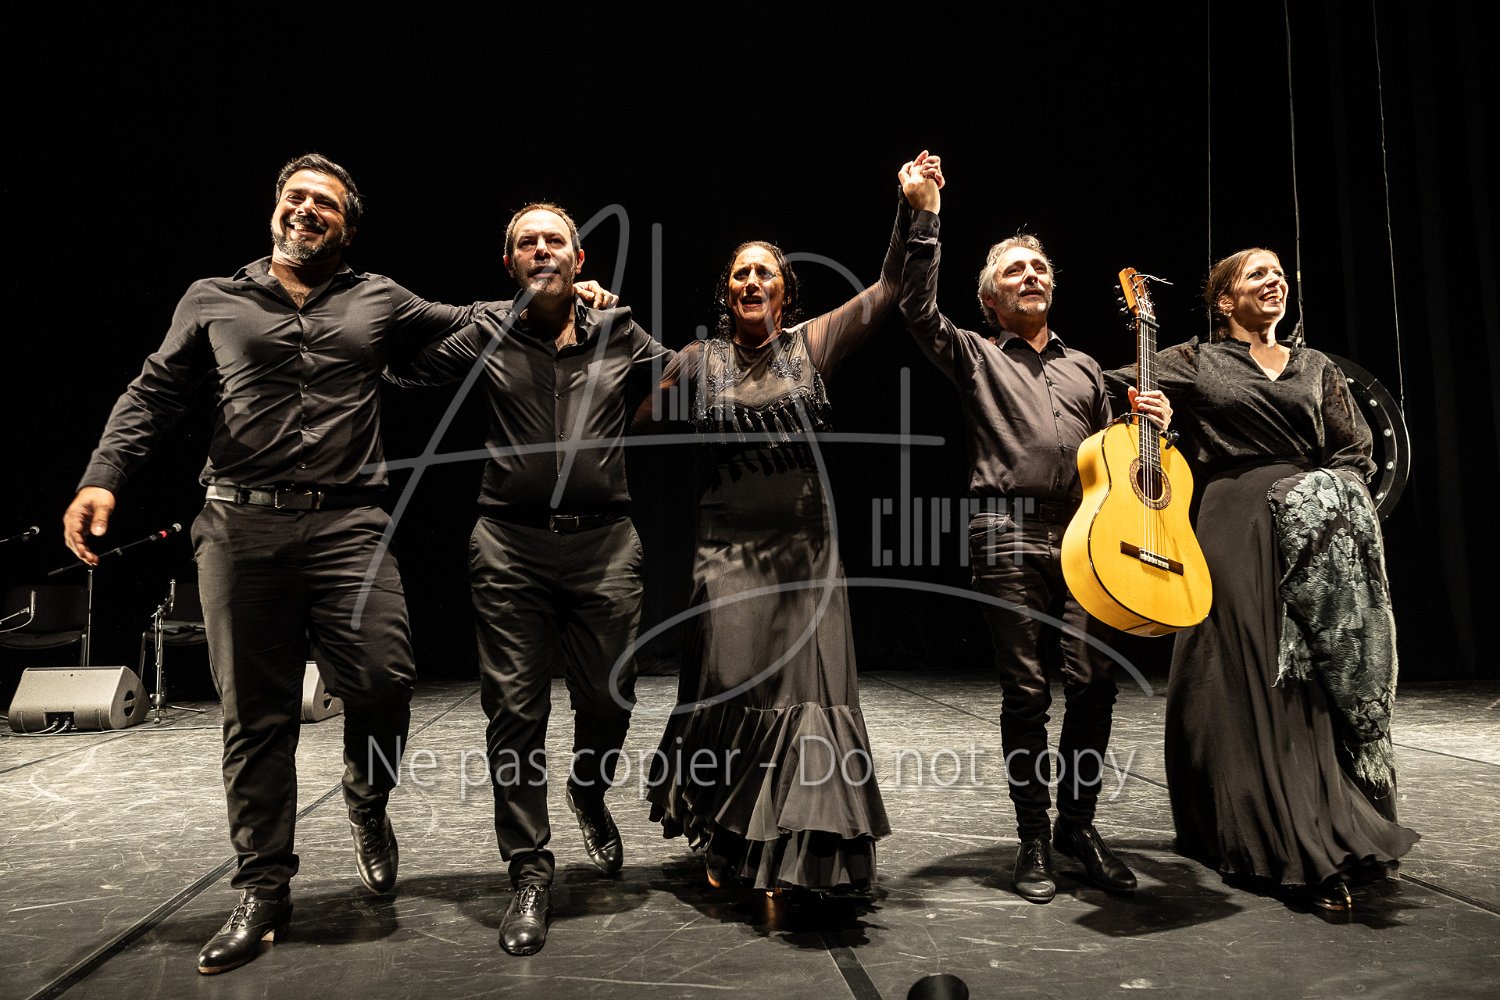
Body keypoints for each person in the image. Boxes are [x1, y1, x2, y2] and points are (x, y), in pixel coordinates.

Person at [62, 153, 487, 974]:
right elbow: (153, 393)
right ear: (275, 209)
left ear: (347, 228)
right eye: (295, 197)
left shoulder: (378, 297)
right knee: (255, 717)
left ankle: (367, 799)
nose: (305, 209)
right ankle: (263, 887)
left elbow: (467, 316)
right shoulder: (213, 298)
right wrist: (101, 477)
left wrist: (552, 292)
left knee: (384, 679)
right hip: (239, 526)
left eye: (324, 203)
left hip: (348, 524)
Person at [632, 155, 942, 895]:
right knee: (730, 685)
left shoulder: (812, 346)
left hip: (807, 549)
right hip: (726, 549)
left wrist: (918, 212)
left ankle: (803, 854)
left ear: (785, 291)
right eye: (740, 273)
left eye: (764, 273)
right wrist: (596, 320)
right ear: (725, 292)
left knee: (807, 697)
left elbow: (890, 288)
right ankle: (728, 833)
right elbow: (628, 413)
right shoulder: (697, 362)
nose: (751, 281)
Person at [384, 202, 670, 956]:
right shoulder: (488, 331)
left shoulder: (618, 330)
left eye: (554, 241)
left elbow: (682, 377)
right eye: (526, 243)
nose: (541, 250)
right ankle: (530, 871)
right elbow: (400, 369)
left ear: (579, 259)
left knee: (609, 695)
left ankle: (588, 790)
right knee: (514, 711)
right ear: (509, 262)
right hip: (509, 546)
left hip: (606, 543)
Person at [1104, 248, 1416, 910]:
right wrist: (1151, 420)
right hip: (1232, 521)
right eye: (1257, 274)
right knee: (1243, 669)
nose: (1274, 281)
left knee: (1311, 675)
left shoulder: (1315, 367)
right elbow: (1107, 388)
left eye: (1279, 273)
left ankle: (1321, 820)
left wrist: (1327, 505)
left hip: (1309, 527)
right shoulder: (1196, 359)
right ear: (1225, 300)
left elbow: (1356, 451)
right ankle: (1263, 835)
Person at [898, 167, 1171, 903]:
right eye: (1015, 269)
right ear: (990, 298)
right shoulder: (975, 354)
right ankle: (1033, 838)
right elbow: (916, 310)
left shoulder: (1088, 370)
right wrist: (926, 218)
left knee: (1095, 681)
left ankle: (1077, 828)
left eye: (1039, 267)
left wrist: (1155, 425)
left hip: (1088, 537)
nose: (1032, 275)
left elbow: (1124, 461)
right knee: (1025, 692)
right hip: (1006, 531)